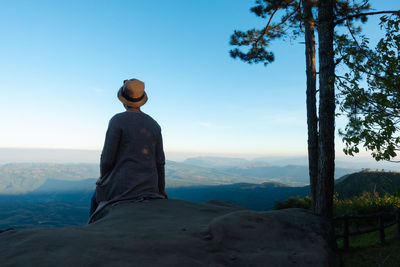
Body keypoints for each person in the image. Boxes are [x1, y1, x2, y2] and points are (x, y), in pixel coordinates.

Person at [89, 78, 167, 218]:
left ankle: (92, 230)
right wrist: (161, 189)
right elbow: (160, 161)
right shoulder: (154, 124)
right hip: (150, 187)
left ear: (123, 100)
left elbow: (107, 159)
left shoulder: (117, 120)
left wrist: (102, 179)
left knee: (94, 200)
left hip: (123, 186)